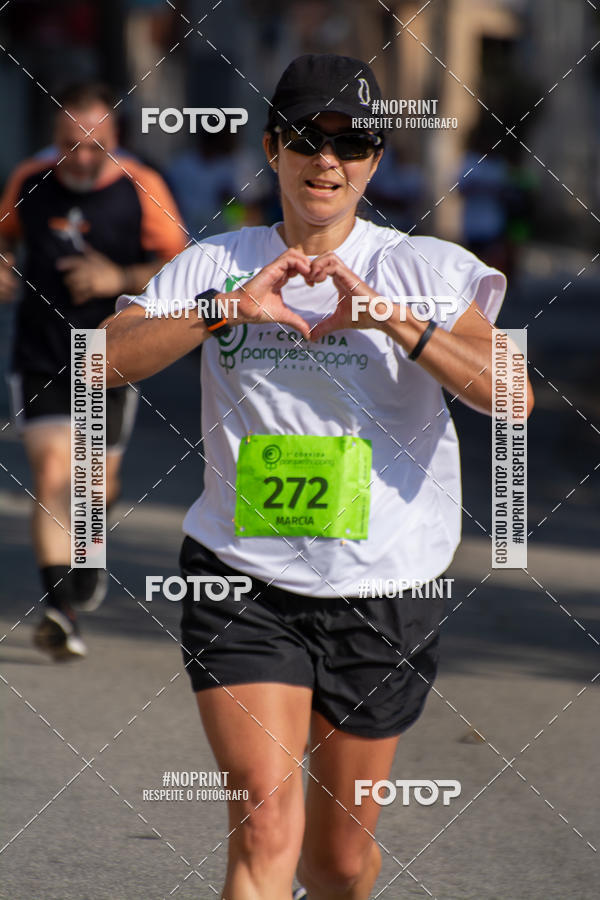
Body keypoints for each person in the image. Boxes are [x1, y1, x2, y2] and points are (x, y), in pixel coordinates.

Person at [104, 55, 534, 900]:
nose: (327, 159)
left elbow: (509, 394)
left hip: (385, 588)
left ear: (374, 159)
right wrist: (222, 308)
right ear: (273, 148)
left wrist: (386, 315)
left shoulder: (428, 271)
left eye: (352, 141)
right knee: (266, 832)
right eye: (307, 136)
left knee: (336, 862)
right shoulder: (216, 261)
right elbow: (102, 365)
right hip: (242, 580)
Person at [0, 81, 185, 660]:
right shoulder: (30, 180)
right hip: (41, 351)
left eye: (95, 146)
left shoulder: (142, 186)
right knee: (55, 474)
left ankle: (88, 547)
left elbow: (180, 268)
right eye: (68, 145)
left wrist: (119, 280)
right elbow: (4, 237)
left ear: (116, 141)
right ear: (52, 140)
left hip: (110, 355)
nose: (80, 158)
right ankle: (60, 611)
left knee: (93, 484)